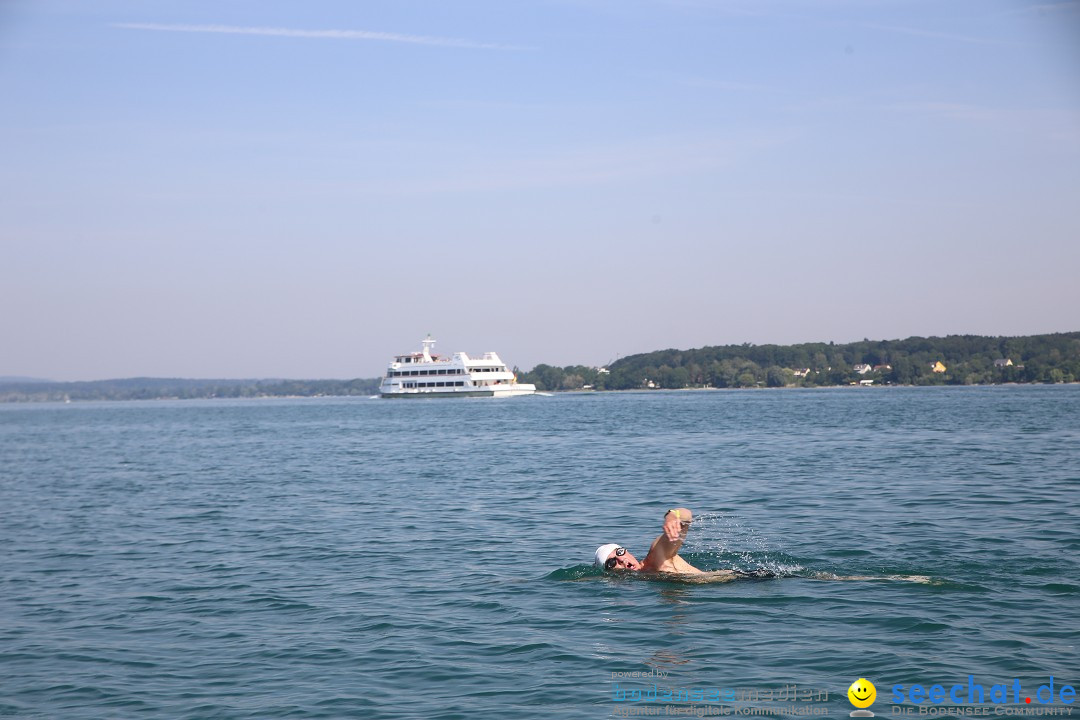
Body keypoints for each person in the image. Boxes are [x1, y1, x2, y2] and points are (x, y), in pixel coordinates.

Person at [594, 507, 703, 574]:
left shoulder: (656, 556)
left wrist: (672, 515)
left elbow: (687, 515)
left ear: (627, 552)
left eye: (619, 552)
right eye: (612, 562)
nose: (621, 559)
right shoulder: (643, 578)